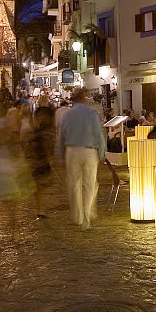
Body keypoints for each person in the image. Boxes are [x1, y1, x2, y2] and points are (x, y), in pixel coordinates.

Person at [56, 88, 105, 230]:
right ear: (84, 98)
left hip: (71, 151)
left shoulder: (67, 115)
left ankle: (77, 217)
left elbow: (62, 137)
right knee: (90, 184)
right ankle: (87, 214)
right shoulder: (91, 114)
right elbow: (98, 134)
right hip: (89, 151)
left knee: (74, 185)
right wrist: (101, 153)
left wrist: (61, 156)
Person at [25, 106, 56, 219]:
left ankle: (41, 209)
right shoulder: (43, 131)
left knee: (40, 186)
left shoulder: (44, 131)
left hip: (40, 161)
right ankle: (41, 209)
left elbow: (48, 145)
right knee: (40, 186)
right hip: (40, 161)